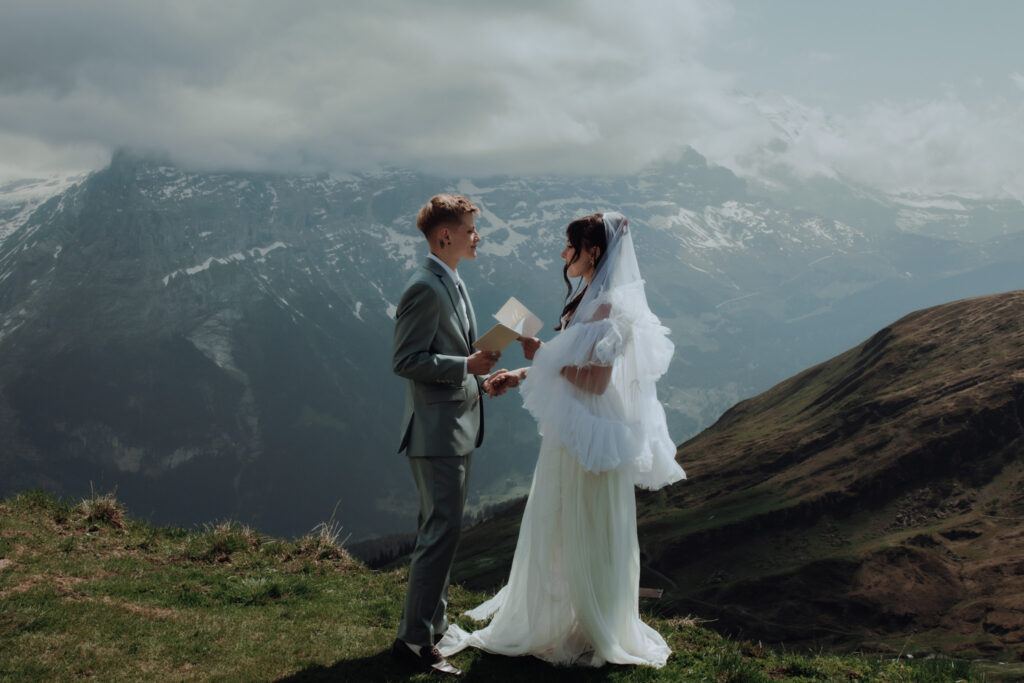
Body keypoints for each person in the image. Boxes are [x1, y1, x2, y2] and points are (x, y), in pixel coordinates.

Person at [438, 212, 686, 668]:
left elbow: (593, 382)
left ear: (592, 251)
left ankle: (587, 624)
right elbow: (572, 370)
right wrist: (519, 372)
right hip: (576, 425)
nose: (561, 254)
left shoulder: (610, 307)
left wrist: (544, 354)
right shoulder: (589, 298)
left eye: (568, 245)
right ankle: (571, 619)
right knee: (563, 521)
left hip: (589, 431)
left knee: (583, 521)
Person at [391, 193, 504, 677]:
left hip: (457, 426)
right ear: (445, 236)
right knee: (439, 533)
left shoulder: (451, 280)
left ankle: (434, 626)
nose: (478, 236)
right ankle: (414, 642)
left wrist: (482, 378)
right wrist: (465, 365)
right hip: (438, 434)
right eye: (471, 229)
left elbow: (456, 353)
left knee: (442, 530)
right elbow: (405, 360)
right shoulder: (425, 287)